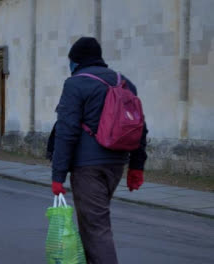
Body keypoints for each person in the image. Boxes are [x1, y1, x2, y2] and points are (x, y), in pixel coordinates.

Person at [51, 37, 148, 264]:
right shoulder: (124, 82)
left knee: (96, 229)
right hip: (116, 165)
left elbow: (67, 131)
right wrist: (136, 166)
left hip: (88, 168)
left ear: (75, 61)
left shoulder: (75, 84)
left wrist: (58, 175)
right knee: (94, 225)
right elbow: (140, 126)